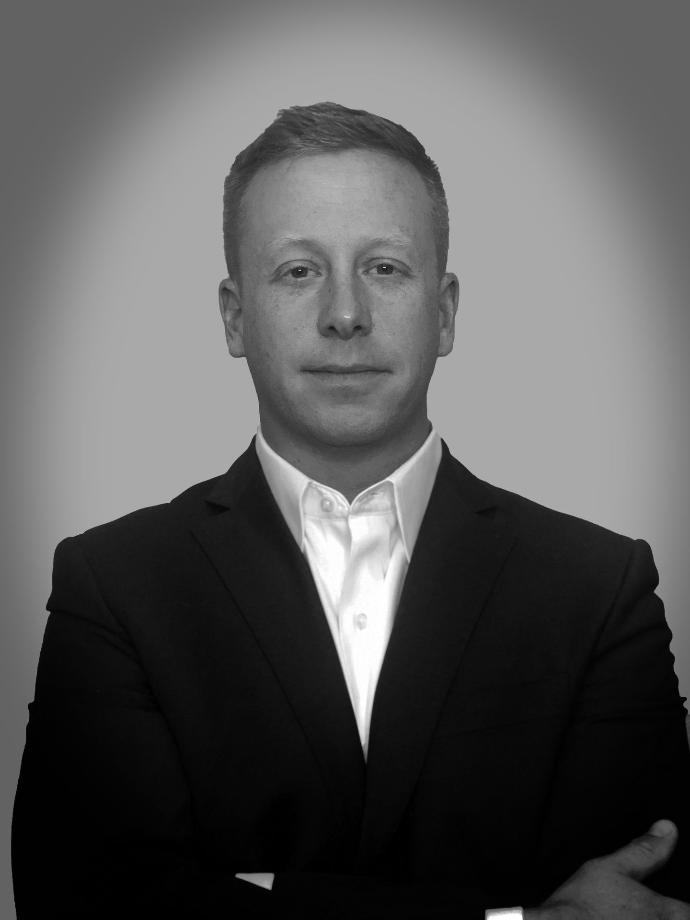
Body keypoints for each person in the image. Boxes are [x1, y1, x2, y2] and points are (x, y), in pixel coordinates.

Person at [12, 102, 690, 920]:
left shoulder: (601, 587)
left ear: (445, 312)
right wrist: (512, 918)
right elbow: (83, 900)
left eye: (385, 268)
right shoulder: (113, 586)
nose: (344, 314)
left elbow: (643, 899)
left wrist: (257, 894)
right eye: (299, 271)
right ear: (234, 317)